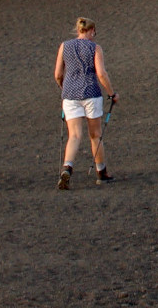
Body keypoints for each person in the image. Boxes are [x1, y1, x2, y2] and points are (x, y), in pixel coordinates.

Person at [54, 17, 118, 189]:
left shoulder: (64, 46)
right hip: (91, 93)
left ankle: (67, 167)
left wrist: (64, 87)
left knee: (74, 135)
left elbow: (58, 74)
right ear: (90, 31)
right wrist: (112, 94)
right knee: (95, 135)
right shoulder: (95, 48)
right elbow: (102, 74)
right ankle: (101, 172)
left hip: (70, 95)